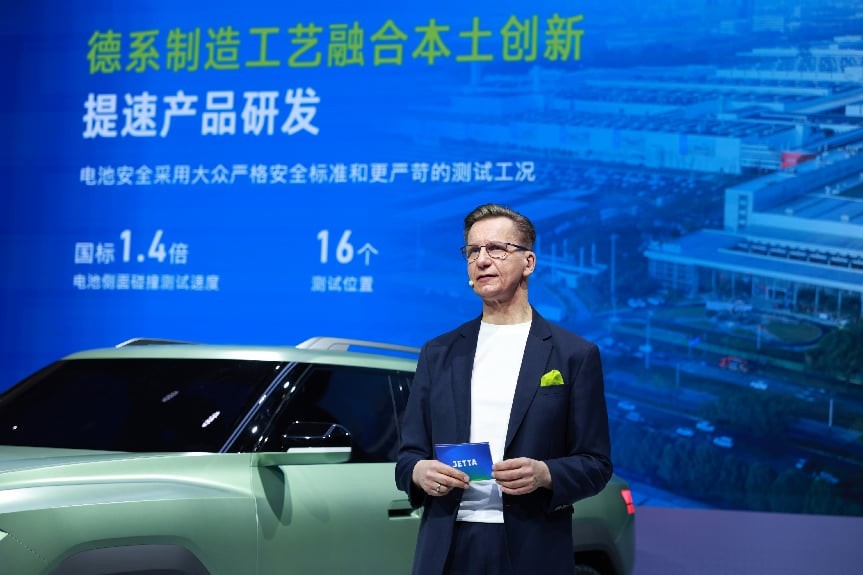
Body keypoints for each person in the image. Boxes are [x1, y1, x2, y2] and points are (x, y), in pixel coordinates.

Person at [395, 203, 613, 575]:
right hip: (448, 544)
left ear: (528, 262)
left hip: (532, 545)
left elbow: (596, 464)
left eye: (496, 249)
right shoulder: (439, 352)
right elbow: (408, 456)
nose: (481, 260)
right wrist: (419, 472)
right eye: (472, 251)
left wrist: (545, 473)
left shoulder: (574, 355)